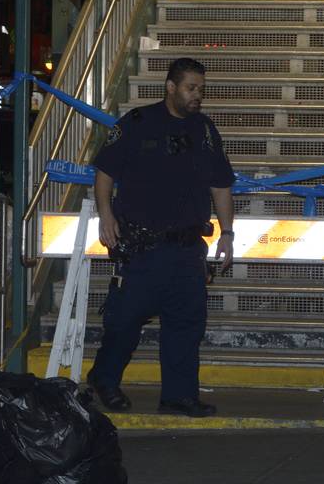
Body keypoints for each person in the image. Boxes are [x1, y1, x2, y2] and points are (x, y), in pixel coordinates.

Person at [87, 58, 236, 417]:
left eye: (201, 88)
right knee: (125, 321)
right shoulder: (138, 124)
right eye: (191, 88)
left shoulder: (204, 130)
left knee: (187, 324)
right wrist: (105, 215)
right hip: (142, 248)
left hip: (187, 251)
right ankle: (104, 380)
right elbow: (105, 173)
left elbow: (221, 186)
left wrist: (228, 233)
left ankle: (178, 395)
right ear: (171, 87)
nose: (198, 95)